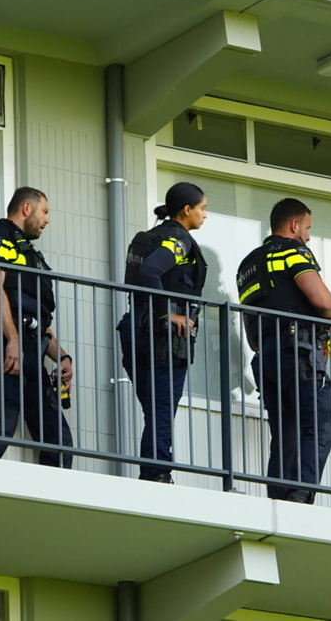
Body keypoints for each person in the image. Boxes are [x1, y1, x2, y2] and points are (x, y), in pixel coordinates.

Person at [236, 198, 331, 504]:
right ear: (294, 225)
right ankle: (302, 494)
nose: (307, 236)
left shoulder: (247, 265)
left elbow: (250, 326)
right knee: (317, 426)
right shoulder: (294, 251)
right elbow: (324, 302)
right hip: (299, 352)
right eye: (306, 228)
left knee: (284, 434)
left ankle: (279, 499)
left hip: (265, 356)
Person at [0, 187, 74, 468]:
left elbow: (40, 321)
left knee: (59, 442)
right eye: (45, 211)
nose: (47, 220)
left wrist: (62, 356)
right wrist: (12, 340)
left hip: (31, 348)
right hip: (8, 344)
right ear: (27, 208)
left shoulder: (31, 254)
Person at [117, 183, 208, 483]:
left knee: (155, 411)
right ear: (186, 210)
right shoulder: (178, 239)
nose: (205, 215)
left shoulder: (149, 236)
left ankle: (154, 471)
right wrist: (167, 314)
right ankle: (157, 475)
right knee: (162, 411)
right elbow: (150, 272)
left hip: (135, 330)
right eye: (202, 208)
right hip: (161, 337)